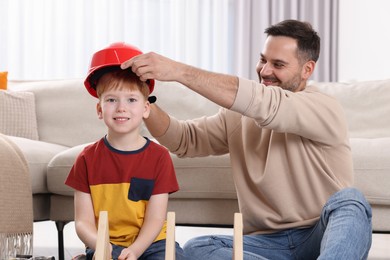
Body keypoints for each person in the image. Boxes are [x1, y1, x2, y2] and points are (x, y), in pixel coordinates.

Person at [121, 20, 373, 259]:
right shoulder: (238, 117)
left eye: (278, 64)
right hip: (265, 245)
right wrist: (143, 103)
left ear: (307, 69)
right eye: (263, 60)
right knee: (198, 248)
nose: (265, 71)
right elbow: (185, 140)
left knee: (350, 201)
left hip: (319, 235)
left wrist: (178, 71)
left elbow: (266, 104)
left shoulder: (322, 107)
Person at [65, 42, 186, 260]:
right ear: (100, 110)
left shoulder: (160, 157)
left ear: (146, 108)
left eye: (131, 100)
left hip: (153, 243)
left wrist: (136, 250)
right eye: (112, 100)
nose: (121, 108)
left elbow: (156, 219)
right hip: (106, 243)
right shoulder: (86, 158)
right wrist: (101, 245)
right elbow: (82, 221)